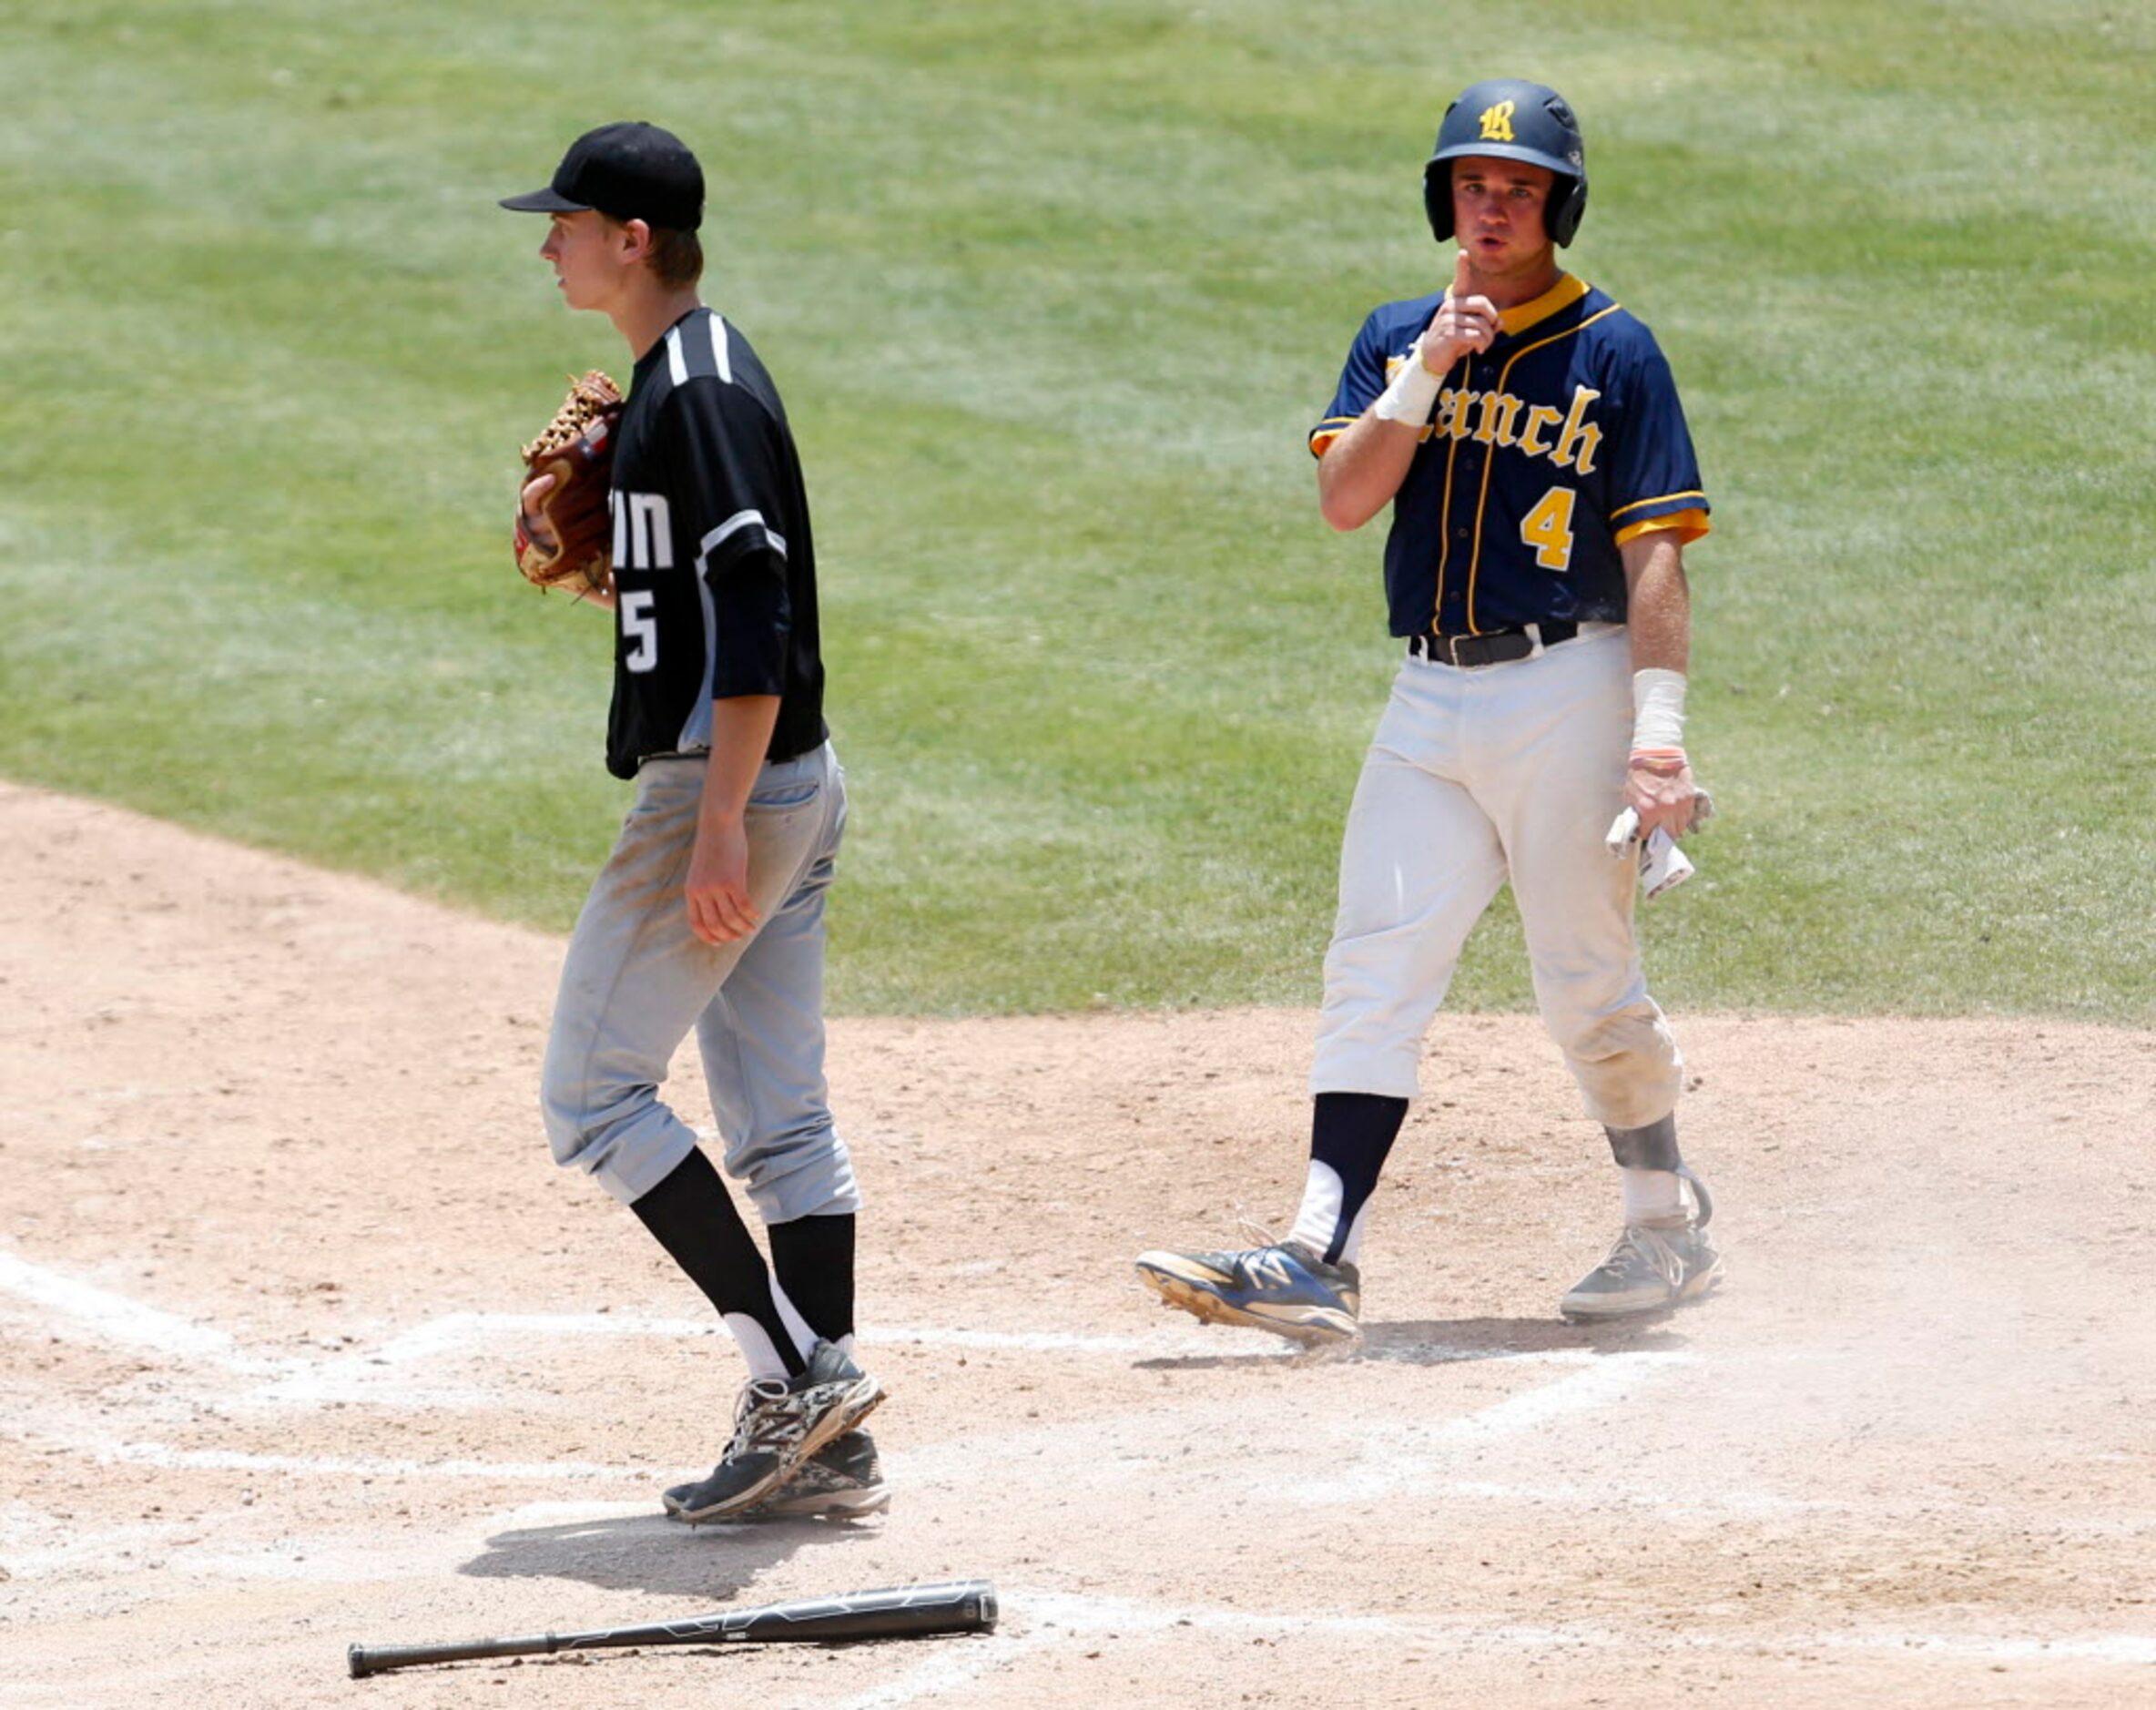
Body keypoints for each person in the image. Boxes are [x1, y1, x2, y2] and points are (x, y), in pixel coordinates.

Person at [1136, 79, 1722, 1341]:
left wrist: (1657, 733)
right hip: (1427, 692)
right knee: (1375, 962)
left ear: (1558, 204)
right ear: (1441, 199)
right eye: (1471, 185)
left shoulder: (1616, 349)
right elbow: (1347, 500)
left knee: (1585, 984)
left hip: (1571, 684)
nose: (1492, 207)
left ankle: (1664, 1220)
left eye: (1517, 189)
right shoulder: (1399, 334)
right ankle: (1315, 1250)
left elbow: (1658, 552)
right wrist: (1427, 370)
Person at [501, 122, 886, 1520]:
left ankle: (797, 1373)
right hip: (785, 781)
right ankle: (829, 1442)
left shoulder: (702, 392)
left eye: (568, 223)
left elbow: (763, 618)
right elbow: (707, 603)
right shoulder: (676, 384)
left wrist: (719, 820)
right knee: (782, 1125)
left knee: (591, 1096)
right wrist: (629, 581)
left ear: (634, 240)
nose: (549, 242)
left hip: (732, 791)